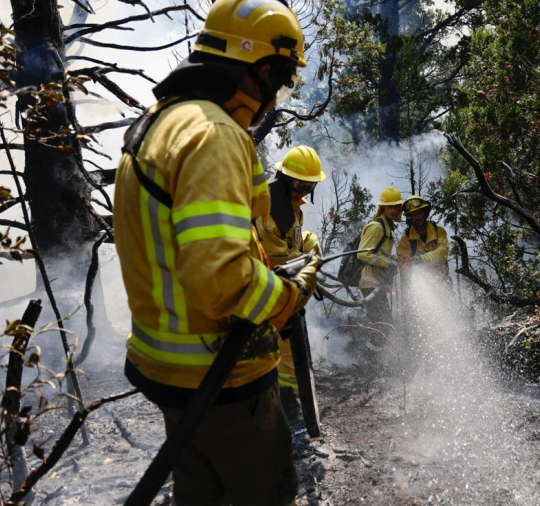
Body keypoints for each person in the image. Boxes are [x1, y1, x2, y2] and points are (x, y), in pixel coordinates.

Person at [112, 1, 318, 504]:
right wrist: (288, 296)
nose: (276, 98)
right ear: (263, 71)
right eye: (283, 82)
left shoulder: (164, 121)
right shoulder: (215, 135)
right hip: (223, 378)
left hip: (172, 371)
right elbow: (222, 280)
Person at [254, 145, 325, 399]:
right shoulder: (269, 209)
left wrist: (310, 240)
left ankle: (290, 394)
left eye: (309, 187)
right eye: (299, 186)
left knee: (290, 351)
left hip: (286, 288)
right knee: (286, 350)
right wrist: (309, 262)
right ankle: (288, 400)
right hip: (270, 290)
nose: (303, 192)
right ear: (285, 179)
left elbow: (292, 238)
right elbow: (278, 257)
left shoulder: (288, 203)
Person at [357, 185, 403, 324]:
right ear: (382, 207)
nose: (393, 210)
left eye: (396, 206)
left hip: (377, 282)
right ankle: (370, 347)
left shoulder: (386, 226)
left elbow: (379, 253)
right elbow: (363, 253)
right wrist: (389, 263)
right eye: (390, 207)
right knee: (383, 325)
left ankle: (373, 346)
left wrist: (396, 259)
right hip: (369, 282)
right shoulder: (377, 226)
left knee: (382, 324)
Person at [396, 195, 449, 277]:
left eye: (420, 213)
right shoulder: (406, 238)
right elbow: (402, 260)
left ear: (425, 213)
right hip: (418, 280)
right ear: (410, 217)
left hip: (441, 278)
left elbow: (443, 251)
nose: (417, 217)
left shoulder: (439, 231)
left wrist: (422, 259)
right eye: (413, 215)